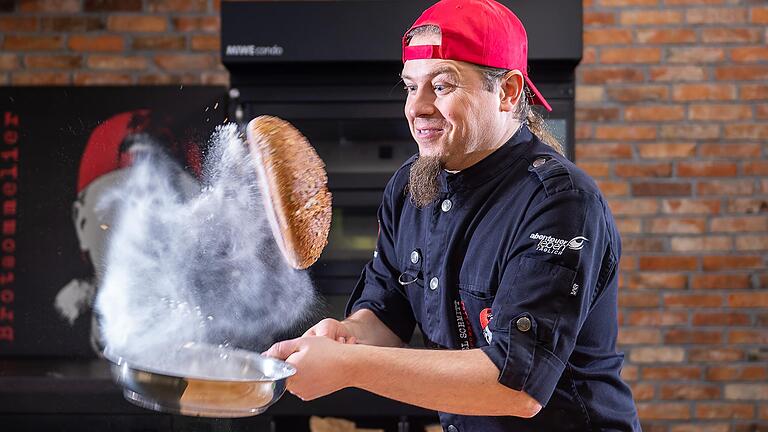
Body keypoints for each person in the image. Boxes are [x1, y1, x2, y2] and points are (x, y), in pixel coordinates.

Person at [266, 0, 641, 430]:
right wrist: (344, 335)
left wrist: (349, 365)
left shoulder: (560, 202)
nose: (416, 108)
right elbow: (386, 312)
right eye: (410, 87)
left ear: (508, 92)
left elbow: (516, 387)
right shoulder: (411, 186)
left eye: (441, 86)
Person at [55, 109, 201, 353]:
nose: (144, 231)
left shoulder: (225, 327)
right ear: (82, 223)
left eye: (168, 204)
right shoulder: (57, 329)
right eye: (122, 205)